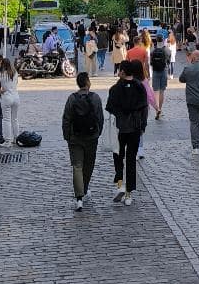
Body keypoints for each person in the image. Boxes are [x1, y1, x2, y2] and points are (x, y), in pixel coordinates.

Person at [105, 60, 148, 205]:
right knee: (131, 159)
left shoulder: (115, 89)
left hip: (120, 127)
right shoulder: (139, 87)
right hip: (135, 127)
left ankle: (119, 184)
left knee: (118, 155)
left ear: (123, 72)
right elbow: (144, 108)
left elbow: (110, 108)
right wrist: (143, 126)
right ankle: (129, 193)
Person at [62, 70, 104, 210]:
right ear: (88, 83)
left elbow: (66, 119)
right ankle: (84, 188)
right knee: (89, 165)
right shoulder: (95, 98)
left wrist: (67, 136)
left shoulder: (72, 99)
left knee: (77, 166)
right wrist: (98, 133)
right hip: (92, 137)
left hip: (75, 137)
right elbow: (100, 118)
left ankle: (79, 197)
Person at [0, 57, 20, 144]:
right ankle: (16, 138)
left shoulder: (2, 74)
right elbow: (16, 83)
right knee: (15, 119)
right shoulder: (15, 73)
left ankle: (8, 140)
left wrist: (0, 90)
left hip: (7, 97)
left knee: (6, 119)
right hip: (16, 97)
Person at [149, 35, 170, 119]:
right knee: (162, 91)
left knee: (156, 92)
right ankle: (160, 109)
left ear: (156, 40)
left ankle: (157, 110)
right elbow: (169, 58)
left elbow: (150, 60)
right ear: (163, 40)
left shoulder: (153, 49)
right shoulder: (166, 49)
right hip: (164, 70)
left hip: (155, 71)